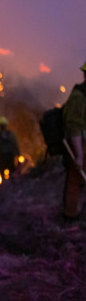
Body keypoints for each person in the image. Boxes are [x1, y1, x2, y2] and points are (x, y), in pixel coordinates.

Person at [62, 61, 86, 221]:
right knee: (75, 181)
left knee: (76, 182)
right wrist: (79, 155)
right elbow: (74, 127)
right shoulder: (79, 96)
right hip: (82, 145)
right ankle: (71, 215)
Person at [0, 116, 19, 181]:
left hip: (1, 157)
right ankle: (12, 185)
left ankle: (5, 185)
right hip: (10, 156)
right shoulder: (11, 134)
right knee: (11, 172)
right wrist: (17, 154)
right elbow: (15, 145)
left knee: (2, 174)